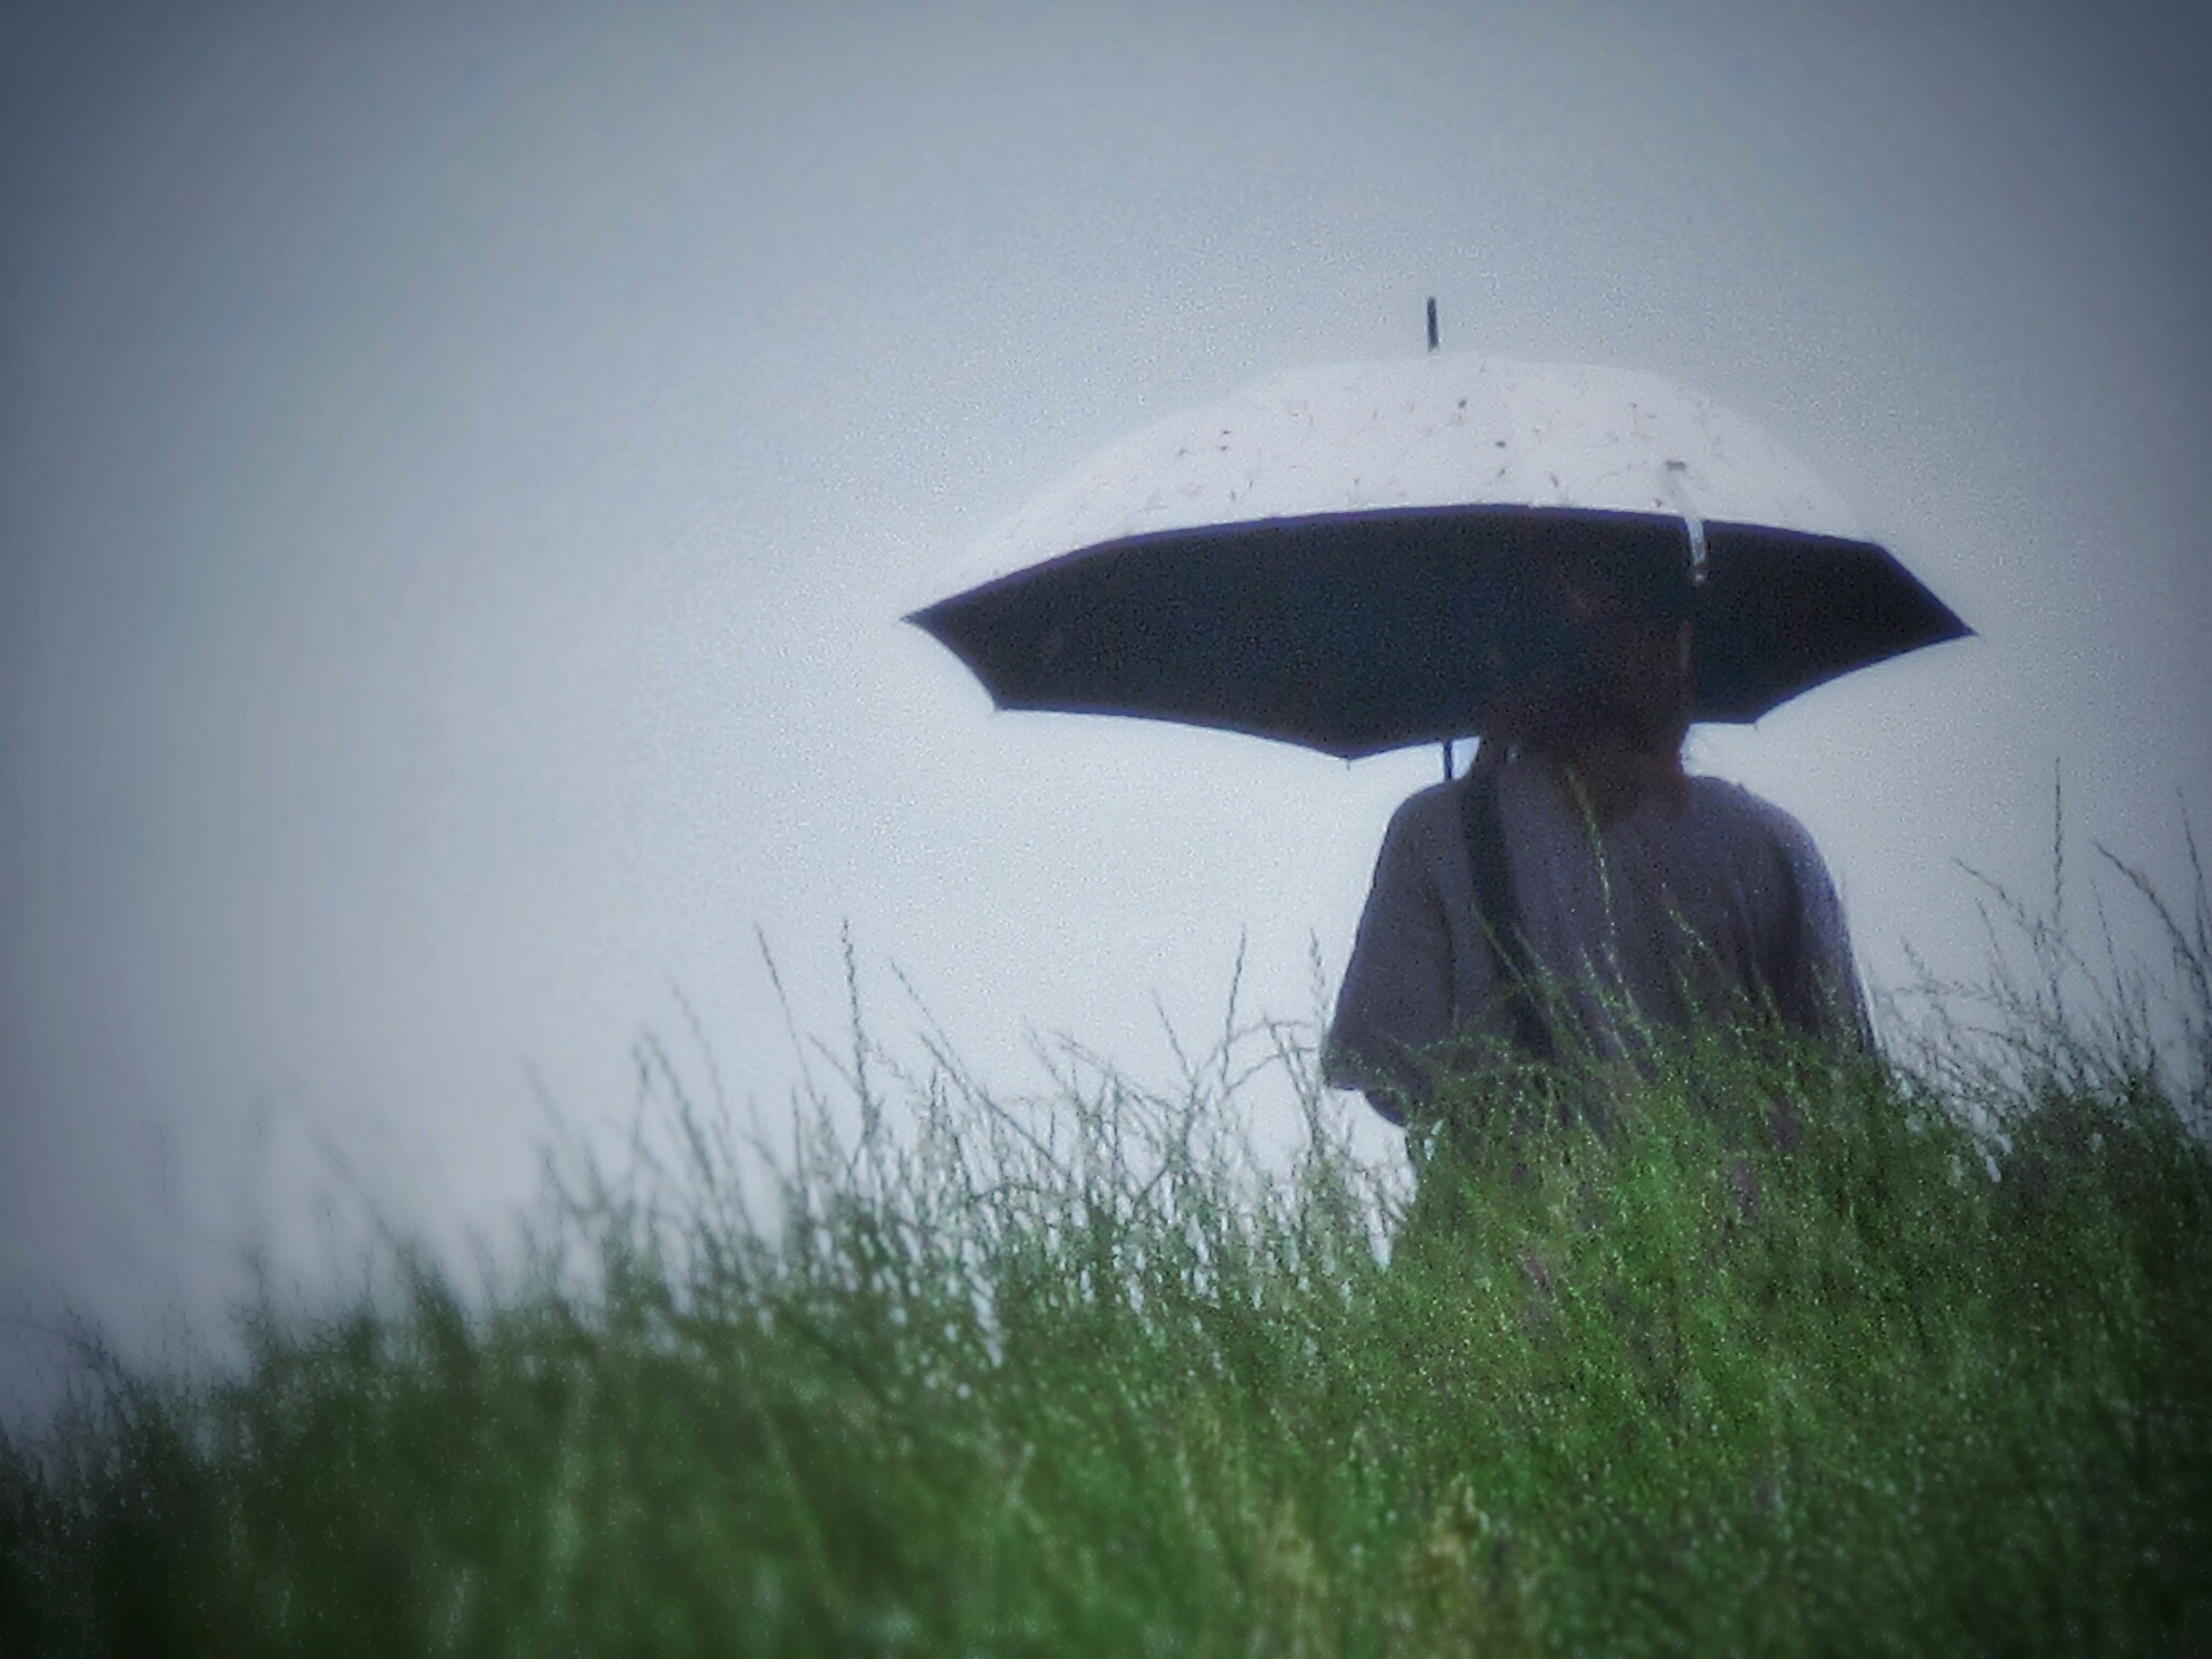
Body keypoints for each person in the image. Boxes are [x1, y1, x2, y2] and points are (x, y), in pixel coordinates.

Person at [1323, 541, 1870, 1134]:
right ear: (1679, 649)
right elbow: (1843, 1088)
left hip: (1521, 1220)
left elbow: (1394, 1079)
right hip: (1734, 1221)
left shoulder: (1436, 833)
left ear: (1505, 657)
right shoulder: (1769, 843)